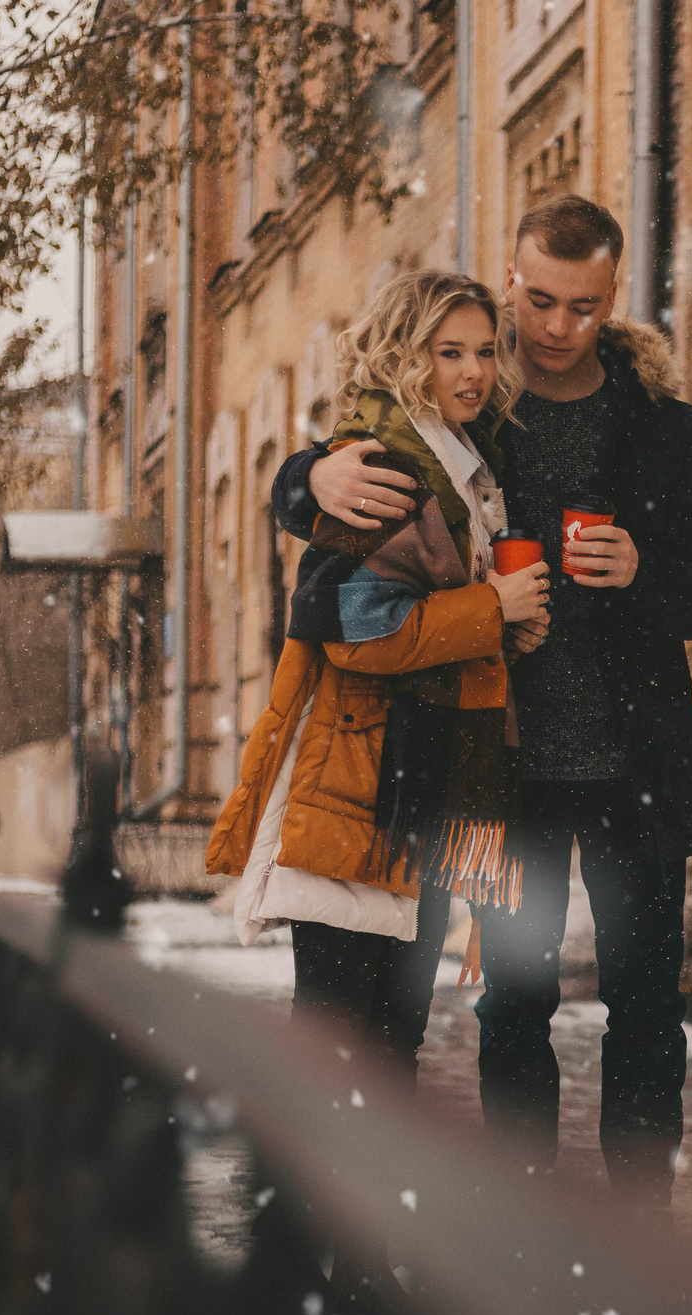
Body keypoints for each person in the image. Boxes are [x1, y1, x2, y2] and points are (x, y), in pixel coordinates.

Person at [272, 196, 692, 1205]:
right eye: (537, 300)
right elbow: (360, 453)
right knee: (511, 1008)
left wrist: (640, 572)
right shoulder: (470, 407)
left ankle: (637, 1231)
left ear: (613, 300)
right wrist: (308, 475)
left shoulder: (666, 429)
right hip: (495, 776)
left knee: (646, 1012)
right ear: (511, 281)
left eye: (584, 306)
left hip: (637, 773)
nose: (556, 328)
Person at [209, 272, 551, 1091]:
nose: (472, 372)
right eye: (448, 353)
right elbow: (363, 635)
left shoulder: (466, 463)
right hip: (362, 786)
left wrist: (505, 622)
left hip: (415, 789)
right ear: (405, 356)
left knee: (391, 1038)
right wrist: (487, 609)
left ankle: (351, 1212)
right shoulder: (388, 468)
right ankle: (303, 1214)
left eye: (483, 351)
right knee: (341, 1035)